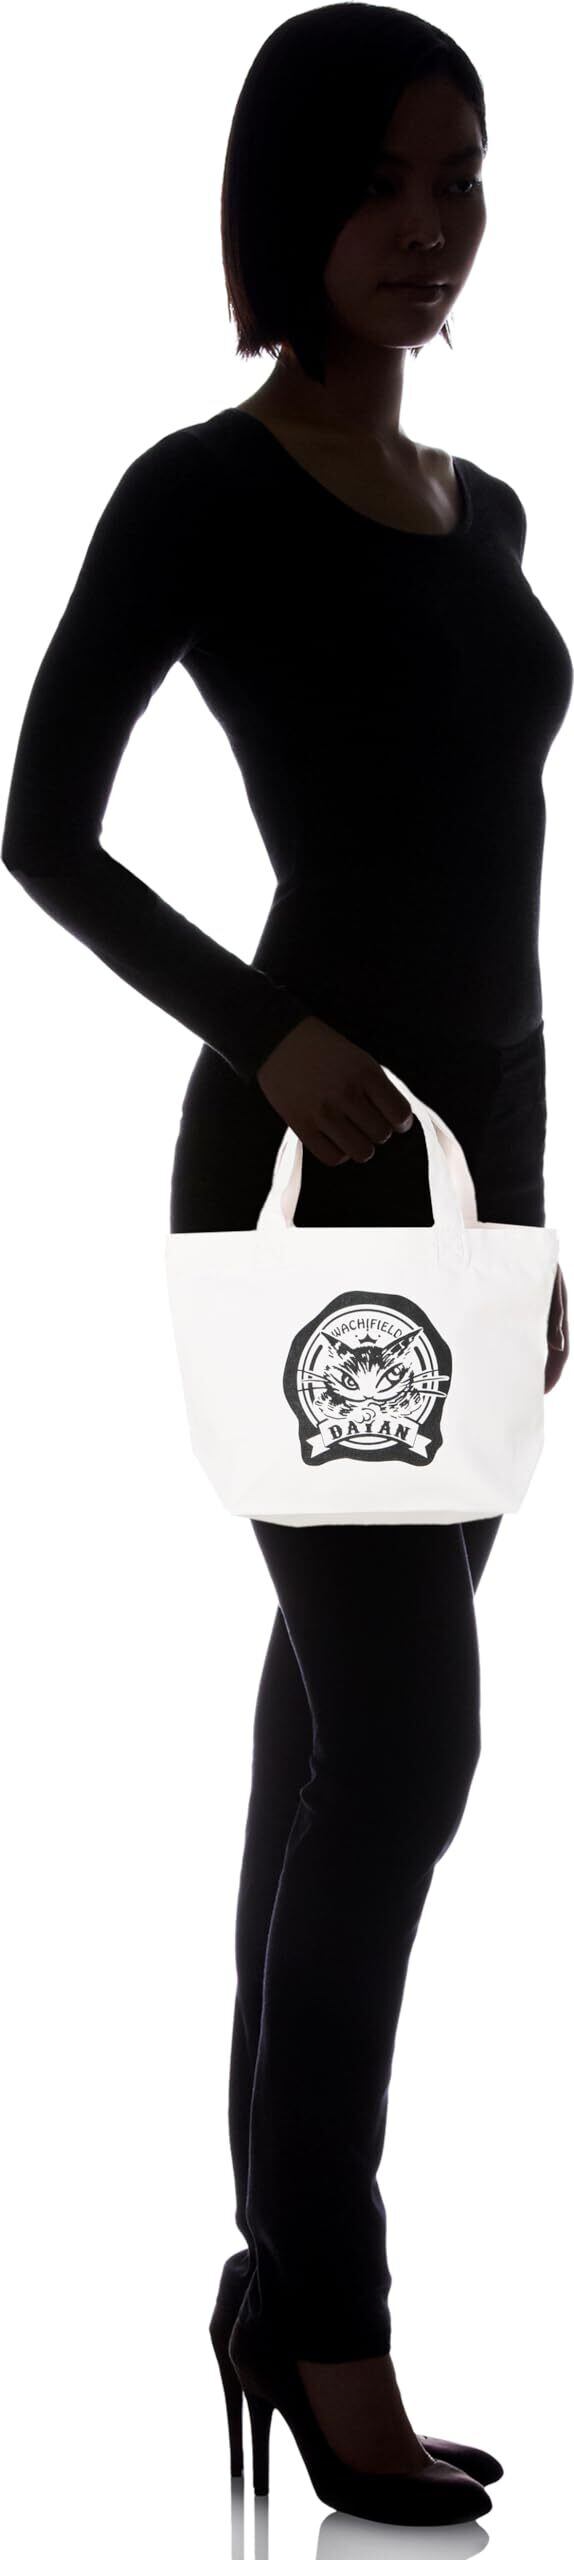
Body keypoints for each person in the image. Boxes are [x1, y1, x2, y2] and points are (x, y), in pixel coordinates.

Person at [2, 2, 571, 2525]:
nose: (429, 224)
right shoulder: (198, 491)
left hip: (469, 1196)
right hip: (304, 1175)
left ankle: (267, 2270)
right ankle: (325, 2307)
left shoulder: (490, 511)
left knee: (326, 1738)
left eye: (462, 174)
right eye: (382, 179)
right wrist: (271, 1031)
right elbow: (42, 823)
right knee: (407, 1746)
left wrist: (530, 1209)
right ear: (288, 203)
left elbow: (499, 903)